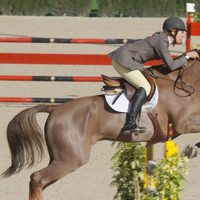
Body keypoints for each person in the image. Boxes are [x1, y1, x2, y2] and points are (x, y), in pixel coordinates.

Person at [108, 17, 199, 135]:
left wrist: (185, 56)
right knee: (145, 87)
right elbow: (171, 66)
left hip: (129, 61)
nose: (183, 36)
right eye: (182, 33)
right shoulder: (161, 41)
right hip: (123, 61)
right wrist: (186, 56)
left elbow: (168, 64)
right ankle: (130, 123)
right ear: (173, 31)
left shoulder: (162, 40)